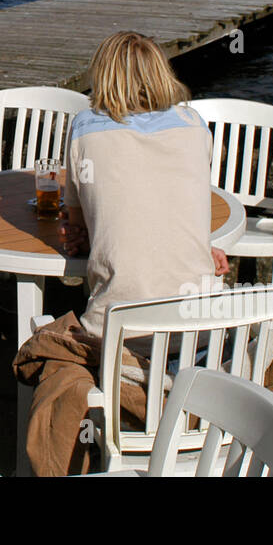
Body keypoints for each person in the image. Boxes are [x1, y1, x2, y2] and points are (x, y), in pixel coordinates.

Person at [57, 31, 230, 339]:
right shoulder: (193, 124)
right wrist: (200, 249)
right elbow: (178, 205)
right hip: (203, 333)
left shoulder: (84, 129)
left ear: (103, 76)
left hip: (119, 337)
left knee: (42, 343)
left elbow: (78, 227)